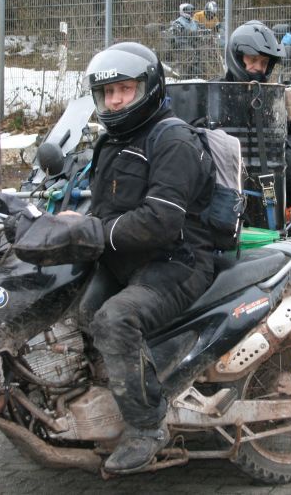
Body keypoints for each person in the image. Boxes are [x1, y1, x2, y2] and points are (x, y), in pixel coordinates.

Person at [79, 42, 217, 473]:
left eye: (125, 89)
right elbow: (103, 207)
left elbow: (161, 221)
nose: (115, 101)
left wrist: (94, 232)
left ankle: (145, 427)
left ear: (149, 89)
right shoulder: (113, 141)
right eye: (108, 92)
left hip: (177, 262)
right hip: (125, 260)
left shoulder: (172, 140)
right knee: (69, 304)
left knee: (115, 320)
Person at [169, 2, 203, 77]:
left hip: (192, 42)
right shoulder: (178, 22)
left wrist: (204, 31)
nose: (190, 12)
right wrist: (191, 33)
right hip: (181, 43)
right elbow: (180, 32)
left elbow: (199, 29)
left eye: (191, 10)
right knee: (190, 51)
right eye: (188, 10)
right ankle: (185, 72)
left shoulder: (193, 22)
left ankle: (198, 72)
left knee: (202, 50)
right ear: (182, 11)